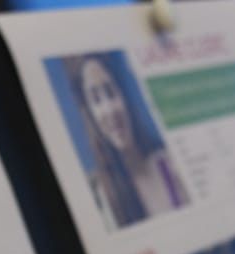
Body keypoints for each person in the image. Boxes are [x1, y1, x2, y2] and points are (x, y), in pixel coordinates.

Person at [69, 54, 188, 230]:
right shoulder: (105, 195)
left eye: (111, 92)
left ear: (124, 96)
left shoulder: (167, 162)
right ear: (90, 114)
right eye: (96, 100)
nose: (109, 109)